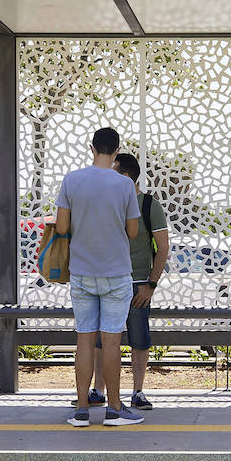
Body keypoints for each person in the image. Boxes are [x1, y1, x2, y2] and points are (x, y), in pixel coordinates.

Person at [54, 127, 143, 427]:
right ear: (117, 151)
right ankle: (114, 409)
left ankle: (81, 410)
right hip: (116, 273)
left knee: (84, 339)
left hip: (81, 272)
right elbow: (133, 232)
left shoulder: (72, 180)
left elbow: (62, 228)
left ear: (91, 147)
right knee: (112, 341)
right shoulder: (124, 185)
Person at [86, 152, 169, 411]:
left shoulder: (148, 205)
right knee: (102, 338)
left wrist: (151, 284)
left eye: (112, 172)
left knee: (139, 338)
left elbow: (163, 248)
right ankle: (98, 391)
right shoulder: (108, 202)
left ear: (124, 176)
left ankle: (137, 392)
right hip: (107, 281)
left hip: (137, 284)